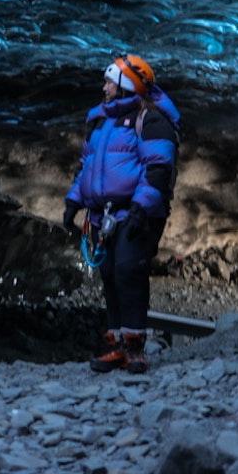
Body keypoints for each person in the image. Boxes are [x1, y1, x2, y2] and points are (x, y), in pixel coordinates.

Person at [63, 54, 180, 374]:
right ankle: (117, 343)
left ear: (126, 85)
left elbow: (158, 167)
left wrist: (142, 208)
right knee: (110, 274)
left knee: (129, 270)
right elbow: (86, 165)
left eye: (109, 82)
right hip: (104, 215)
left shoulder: (151, 120)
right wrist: (74, 202)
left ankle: (134, 346)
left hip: (135, 212)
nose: (104, 88)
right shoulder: (101, 121)